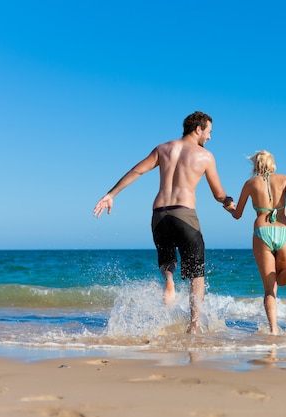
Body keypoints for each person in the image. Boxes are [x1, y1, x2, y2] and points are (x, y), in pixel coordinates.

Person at [93, 111, 235, 334]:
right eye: (208, 132)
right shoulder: (204, 156)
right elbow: (218, 194)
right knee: (196, 273)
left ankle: (169, 280)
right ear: (198, 129)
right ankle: (194, 324)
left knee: (167, 259)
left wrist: (111, 194)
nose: (209, 137)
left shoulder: (163, 148)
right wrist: (229, 203)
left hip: (159, 214)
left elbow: (137, 170)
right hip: (184, 213)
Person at [228, 150, 286, 335]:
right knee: (282, 280)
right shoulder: (285, 179)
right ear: (272, 164)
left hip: (262, 232)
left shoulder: (250, 184)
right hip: (285, 231)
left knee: (270, 288)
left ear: (256, 165)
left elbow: (237, 215)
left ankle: (274, 329)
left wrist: (229, 207)